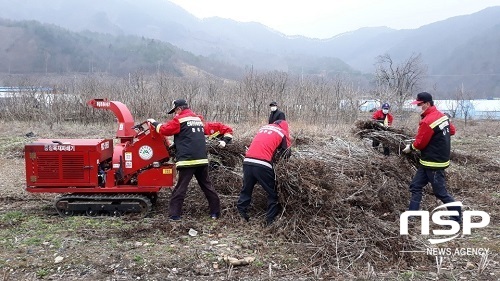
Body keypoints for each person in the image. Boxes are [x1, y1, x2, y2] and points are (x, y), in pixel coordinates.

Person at [147, 99, 221, 221]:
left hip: (188, 161)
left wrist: (154, 123)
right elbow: (190, 137)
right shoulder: (197, 119)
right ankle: (215, 213)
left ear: (179, 109)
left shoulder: (180, 119)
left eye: (175, 111)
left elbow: (165, 130)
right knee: (207, 186)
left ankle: (174, 215)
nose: (175, 114)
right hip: (202, 159)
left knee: (181, 187)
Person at [402, 92, 461, 223]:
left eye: (420, 104)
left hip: (434, 163)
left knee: (440, 193)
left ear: (427, 104)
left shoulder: (428, 121)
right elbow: (451, 131)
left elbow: (420, 143)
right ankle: (412, 215)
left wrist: (410, 148)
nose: (418, 107)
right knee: (415, 186)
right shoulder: (442, 116)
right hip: (429, 161)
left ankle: (457, 215)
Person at [237, 120, 291, 225]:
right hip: (263, 164)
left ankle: (241, 215)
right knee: (273, 193)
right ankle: (269, 221)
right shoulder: (282, 132)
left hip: (247, 161)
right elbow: (286, 153)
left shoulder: (263, 128)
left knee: (246, 189)